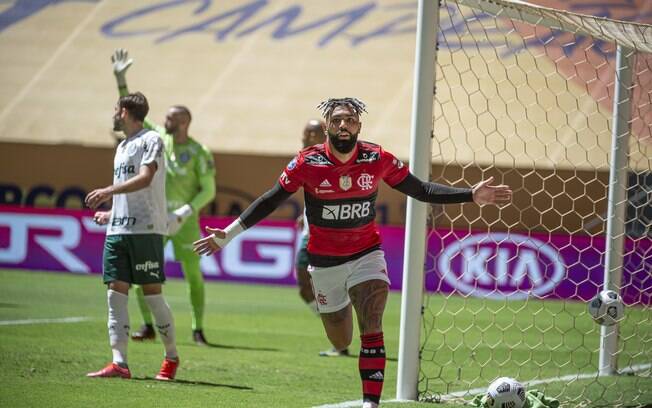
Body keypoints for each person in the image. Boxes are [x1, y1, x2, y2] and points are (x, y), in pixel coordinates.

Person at [193, 98, 512, 407]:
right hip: (324, 263)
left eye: (350, 120)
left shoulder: (377, 158)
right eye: (337, 120)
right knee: (341, 340)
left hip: (366, 255)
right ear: (328, 126)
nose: (344, 125)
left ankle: (369, 403)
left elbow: (421, 189)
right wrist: (229, 233)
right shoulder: (307, 162)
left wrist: (470, 195)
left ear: (359, 125)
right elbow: (271, 199)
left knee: (372, 324)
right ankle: (339, 318)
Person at [111, 49, 216, 345]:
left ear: (184, 122)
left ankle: (197, 329)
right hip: (155, 219)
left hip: (185, 221)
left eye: (171, 118)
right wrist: (122, 81)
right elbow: (132, 113)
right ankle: (148, 325)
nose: (165, 121)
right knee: (145, 275)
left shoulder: (199, 152)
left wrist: (186, 210)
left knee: (194, 276)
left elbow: (209, 189)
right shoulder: (157, 137)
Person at [86, 92, 179, 380]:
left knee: (152, 295)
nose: (113, 114)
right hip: (118, 230)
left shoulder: (151, 139)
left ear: (125, 111)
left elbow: (145, 179)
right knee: (115, 294)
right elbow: (130, 194)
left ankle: (171, 356)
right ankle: (119, 363)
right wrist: (112, 212)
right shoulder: (123, 145)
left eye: (116, 109)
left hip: (146, 230)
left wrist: (107, 191)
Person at [294, 119, 350, 357]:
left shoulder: (332, 159)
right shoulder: (305, 159)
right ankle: (338, 329)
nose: (307, 135)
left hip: (327, 234)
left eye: (313, 132)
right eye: (306, 131)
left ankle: (341, 337)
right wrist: (304, 214)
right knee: (304, 288)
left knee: (327, 287)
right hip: (310, 231)